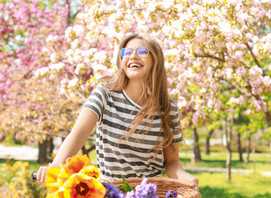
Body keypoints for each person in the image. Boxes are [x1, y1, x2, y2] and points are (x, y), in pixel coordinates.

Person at [36, 33, 198, 189]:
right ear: (121, 60)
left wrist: (185, 176)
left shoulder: (168, 109)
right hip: (111, 195)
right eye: (127, 52)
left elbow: (172, 163)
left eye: (142, 52)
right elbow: (79, 133)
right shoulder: (105, 94)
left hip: (150, 197)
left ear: (155, 60)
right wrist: (55, 167)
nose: (133, 56)